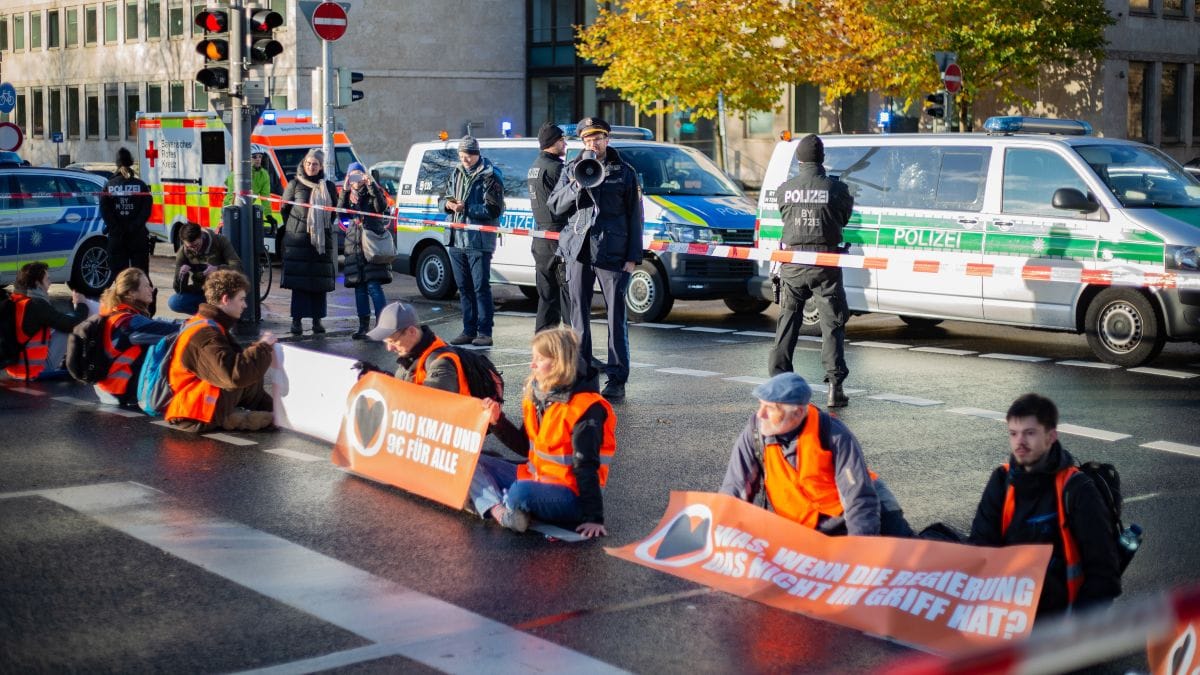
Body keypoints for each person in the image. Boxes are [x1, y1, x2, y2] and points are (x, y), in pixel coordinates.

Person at [967, 393, 1121, 620]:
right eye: (1013, 433)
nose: (1020, 442)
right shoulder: (1001, 479)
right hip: (1010, 613)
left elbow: (1104, 573)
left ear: (1051, 437)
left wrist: (1075, 630)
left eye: (1030, 433)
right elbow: (980, 548)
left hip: (1060, 619)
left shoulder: (1077, 488)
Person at [718, 372, 913, 537]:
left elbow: (858, 498)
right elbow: (735, 488)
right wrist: (720, 535)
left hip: (867, 512)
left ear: (798, 413)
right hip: (808, 528)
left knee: (910, 562)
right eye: (760, 405)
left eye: (770, 408)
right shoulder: (756, 430)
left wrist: (859, 549)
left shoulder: (833, 433)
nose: (760, 414)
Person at [470, 327, 616, 538]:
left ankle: (507, 505)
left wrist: (594, 517)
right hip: (536, 478)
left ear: (558, 363)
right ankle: (501, 511)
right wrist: (497, 421)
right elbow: (523, 445)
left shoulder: (586, 407)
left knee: (521, 493)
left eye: (539, 358)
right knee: (473, 462)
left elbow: (586, 464)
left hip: (570, 495)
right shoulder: (539, 394)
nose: (532, 364)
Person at [547, 117, 643, 403]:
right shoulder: (570, 169)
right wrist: (576, 183)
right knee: (578, 316)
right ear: (582, 142)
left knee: (615, 317)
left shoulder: (624, 172)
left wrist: (633, 257)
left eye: (598, 138)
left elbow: (635, 216)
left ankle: (616, 378)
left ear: (608, 139)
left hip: (612, 251)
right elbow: (555, 206)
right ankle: (581, 374)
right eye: (588, 140)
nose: (594, 144)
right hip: (578, 249)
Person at [767, 134, 854, 408]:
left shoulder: (785, 189)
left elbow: (784, 213)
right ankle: (834, 387)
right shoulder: (836, 189)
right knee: (832, 324)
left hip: (792, 264)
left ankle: (779, 381)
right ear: (822, 159)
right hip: (825, 265)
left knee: (788, 322)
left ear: (799, 159)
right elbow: (845, 217)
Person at [165, 270, 277, 432]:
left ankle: (251, 415)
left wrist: (278, 410)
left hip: (194, 403)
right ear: (225, 299)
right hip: (192, 413)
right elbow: (233, 375)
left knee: (249, 368)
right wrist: (262, 348)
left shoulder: (208, 324)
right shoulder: (205, 334)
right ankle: (233, 418)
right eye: (241, 299)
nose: (245, 305)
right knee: (243, 370)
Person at [438, 136, 504, 347]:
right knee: (464, 288)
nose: (465, 159)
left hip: (478, 240)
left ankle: (484, 332)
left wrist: (465, 208)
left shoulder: (490, 175)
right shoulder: (455, 172)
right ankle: (468, 330)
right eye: (462, 155)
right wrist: (447, 205)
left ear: (477, 154)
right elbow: (442, 198)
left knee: (480, 287)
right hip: (455, 238)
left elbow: (493, 209)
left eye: (469, 155)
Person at [93, 268, 179, 407]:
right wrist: (200, 324)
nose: (151, 289)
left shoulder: (115, 313)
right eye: (146, 286)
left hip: (107, 389)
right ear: (131, 293)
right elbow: (169, 330)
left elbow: (159, 323)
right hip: (121, 390)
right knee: (174, 343)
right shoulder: (130, 322)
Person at [279, 148, 338, 336]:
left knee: (318, 284)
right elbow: (284, 209)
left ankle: (317, 321)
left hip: (320, 241)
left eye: (315, 164)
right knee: (299, 285)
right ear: (304, 164)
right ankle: (296, 322)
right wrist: (297, 229)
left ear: (321, 167)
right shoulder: (294, 184)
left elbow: (333, 212)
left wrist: (319, 228)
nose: (311, 166)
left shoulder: (327, 186)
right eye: (308, 163)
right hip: (298, 241)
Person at [3, 262, 90, 380]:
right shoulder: (37, 305)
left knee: (56, 323)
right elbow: (73, 324)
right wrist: (81, 305)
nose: (50, 283)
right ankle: (74, 366)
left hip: (13, 367)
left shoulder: (15, 299)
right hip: (32, 370)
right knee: (69, 327)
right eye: (47, 279)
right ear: (38, 283)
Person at [338, 161, 392, 339]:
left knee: (374, 286)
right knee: (359, 287)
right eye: (352, 175)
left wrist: (371, 186)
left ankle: (382, 326)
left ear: (364, 176)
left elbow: (381, 207)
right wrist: (345, 190)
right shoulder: (347, 194)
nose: (356, 179)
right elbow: (341, 214)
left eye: (358, 175)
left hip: (372, 244)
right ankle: (363, 326)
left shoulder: (372, 191)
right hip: (354, 245)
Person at [365, 300, 467, 394]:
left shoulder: (440, 362)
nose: (389, 348)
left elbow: (430, 407)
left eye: (393, 341)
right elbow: (405, 387)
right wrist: (377, 375)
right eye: (386, 342)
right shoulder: (411, 354)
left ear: (412, 332)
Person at [527, 121, 571, 333]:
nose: (565, 143)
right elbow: (569, 202)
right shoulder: (556, 168)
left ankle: (544, 350)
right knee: (568, 297)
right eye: (562, 140)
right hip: (559, 236)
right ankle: (577, 352)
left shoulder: (536, 166)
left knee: (547, 298)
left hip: (542, 239)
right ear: (552, 142)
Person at [100, 147, 153, 278]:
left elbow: (104, 210)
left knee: (120, 278)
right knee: (141, 276)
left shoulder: (109, 185)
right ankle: (144, 298)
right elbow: (146, 209)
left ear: (117, 164)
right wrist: (134, 226)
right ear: (131, 162)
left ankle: (121, 298)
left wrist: (116, 228)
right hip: (138, 237)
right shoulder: (141, 185)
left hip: (117, 238)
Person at [169, 221, 242, 316]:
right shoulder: (183, 252)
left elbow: (238, 268)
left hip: (223, 291)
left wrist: (217, 269)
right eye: (190, 247)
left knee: (230, 302)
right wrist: (182, 275)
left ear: (202, 236)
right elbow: (179, 290)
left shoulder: (220, 241)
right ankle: (207, 316)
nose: (194, 249)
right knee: (175, 302)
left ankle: (219, 315)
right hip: (202, 291)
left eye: (196, 245)